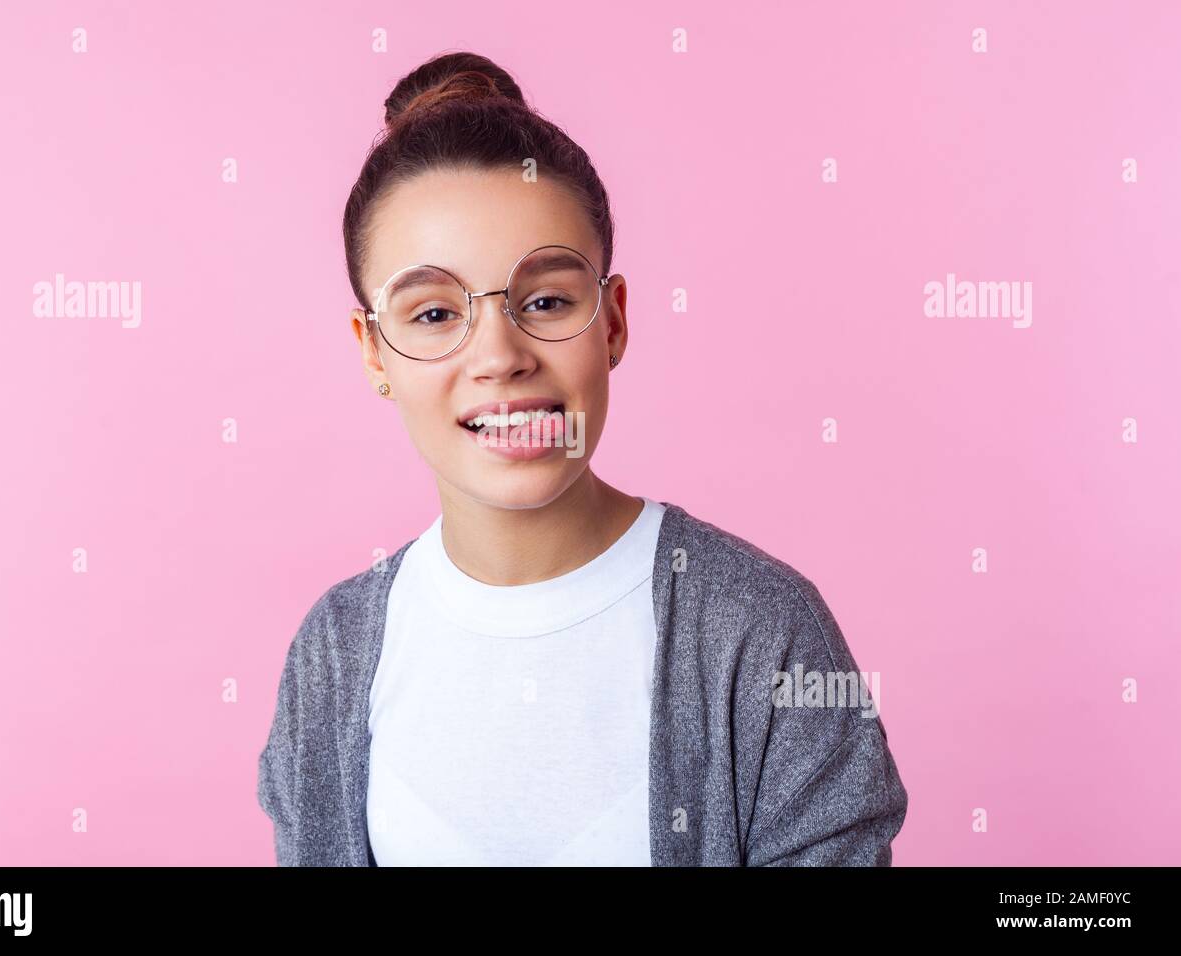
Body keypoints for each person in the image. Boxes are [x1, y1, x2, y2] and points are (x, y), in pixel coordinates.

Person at [258, 50, 908, 866]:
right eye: (431, 313)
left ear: (613, 322)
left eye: (545, 301)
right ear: (374, 354)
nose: (500, 356)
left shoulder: (761, 631)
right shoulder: (333, 655)